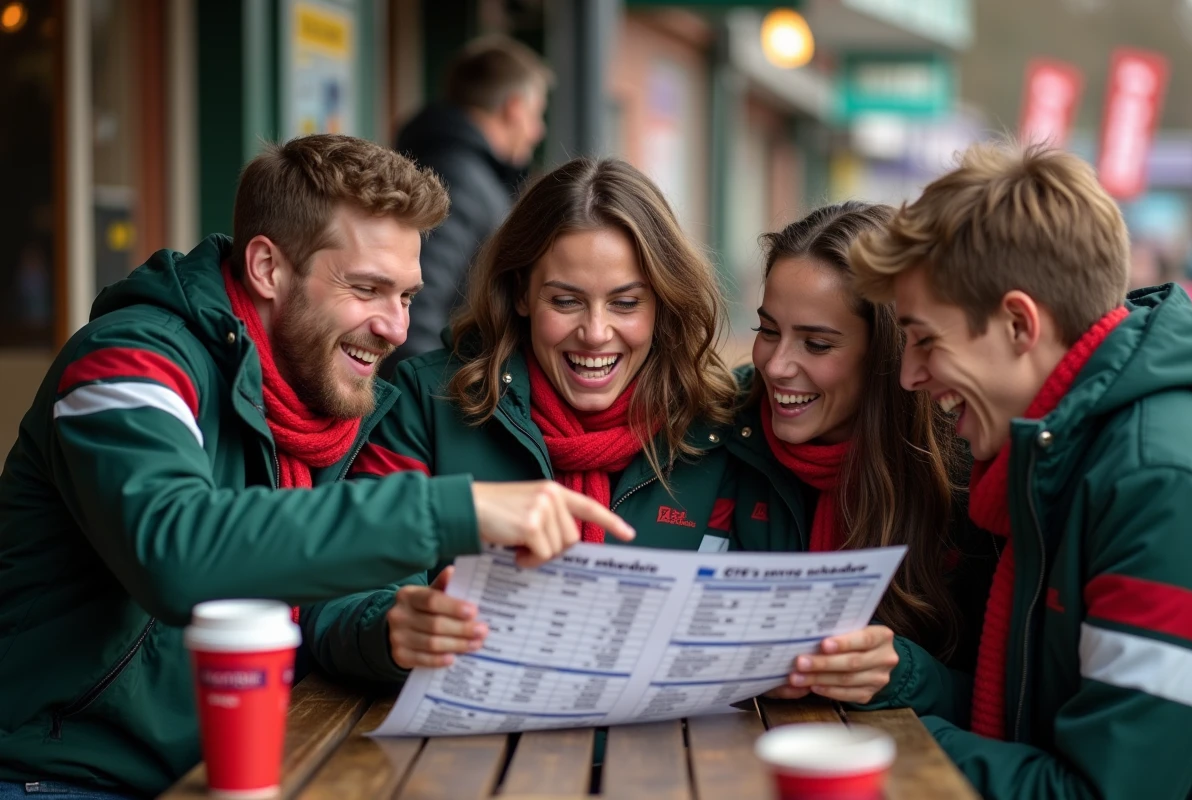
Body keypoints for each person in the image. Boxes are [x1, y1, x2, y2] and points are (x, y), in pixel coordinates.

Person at [0, 134, 631, 800]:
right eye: (367, 289)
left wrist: (392, 629)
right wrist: (456, 509)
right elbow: (174, 551)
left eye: (408, 297)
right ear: (269, 268)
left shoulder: (328, 394)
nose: (393, 327)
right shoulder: (129, 360)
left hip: (248, 766)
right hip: (66, 776)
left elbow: (320, 608)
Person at [850, 142, 1192, 798]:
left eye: (925, 339)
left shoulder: (1160, 486)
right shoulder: (1073, 447)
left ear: (1018, 323)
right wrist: (897, 680)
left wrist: (879, 749)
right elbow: (1034, 723)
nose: (908, 374)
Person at [303, 156, 740, 681]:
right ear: (521, 294)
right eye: (566, 301)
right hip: (465, 748)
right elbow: (339, 597)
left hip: (671, 747)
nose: (596, 332)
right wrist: (393, 629)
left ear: (663, 304)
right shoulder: (429, 400)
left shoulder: (714, 422)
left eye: (626, 303)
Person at [725, 202, 995, 709]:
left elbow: (1000, 702)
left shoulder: (962, 465)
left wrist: (904, 676)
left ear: (885, 353)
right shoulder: (721, 432)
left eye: (817, 344)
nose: (777, 365)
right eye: (767, 330)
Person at [383, 35, 552, 370]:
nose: (538, 132)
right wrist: (434, 409)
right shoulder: (459, 179)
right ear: (514, 109)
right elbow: (415, 310)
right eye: (536, 115)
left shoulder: (447, 165)